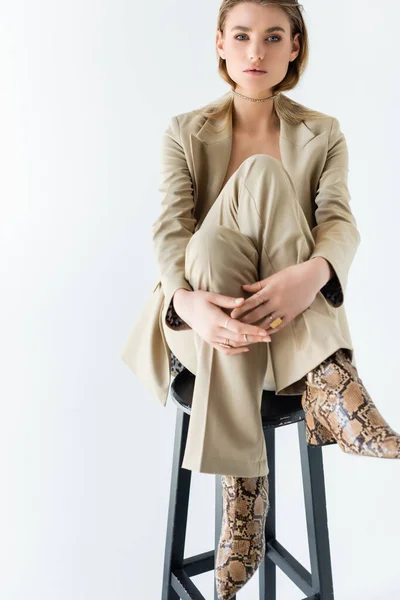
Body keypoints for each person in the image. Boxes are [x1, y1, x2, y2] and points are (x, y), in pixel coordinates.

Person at [121, 1, 400, 598]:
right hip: (197, 325)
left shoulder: (322, 132)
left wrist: (314, 272)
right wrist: (189, 303)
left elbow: (340, 224)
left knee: (258, 205)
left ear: (295, 46)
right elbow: (171, 231)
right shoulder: (185, 130)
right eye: (242, 36)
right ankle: (330, 376)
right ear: (220, 43)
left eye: (273, 37)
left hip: (284, 321)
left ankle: (243, 499)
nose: (256, 51)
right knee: (244, 203)